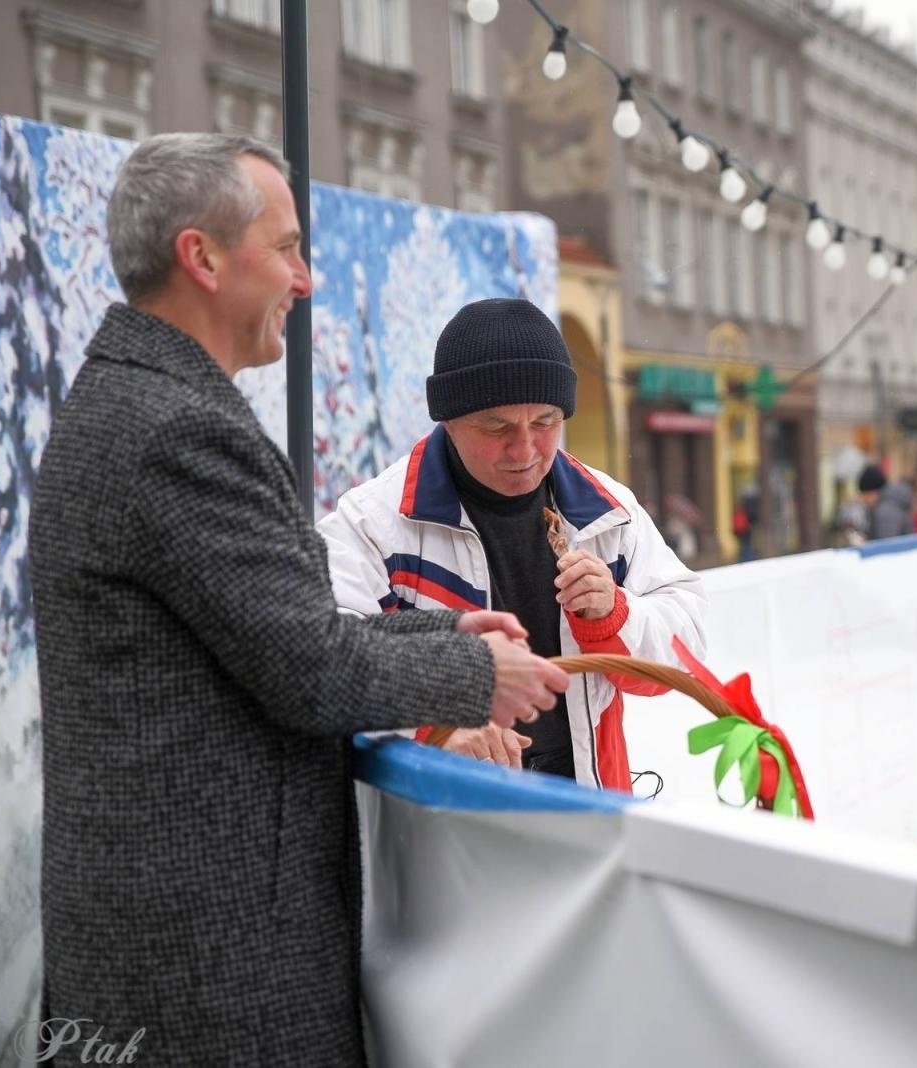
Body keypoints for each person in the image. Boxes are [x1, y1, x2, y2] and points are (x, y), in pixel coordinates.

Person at [29, 134, 570, 1066]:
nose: (305, 279)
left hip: (174, 941)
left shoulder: (139, 402)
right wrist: (473, 669)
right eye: (284, 248)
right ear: (201, 257)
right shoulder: (178, 430)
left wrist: (443, 628)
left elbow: (271, 628)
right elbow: (310, 668)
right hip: (204, 964)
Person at [319, 297, 708, 789]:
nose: (524, 450)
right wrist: (431, 726)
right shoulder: (373, 524)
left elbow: (687, 648)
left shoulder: (607, 512)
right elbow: (324, 662)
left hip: (588, 808)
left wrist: (615, 615)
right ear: (449, 419)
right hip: (439, 826)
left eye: (545, 422)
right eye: (497, 426)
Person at [857, 462, 914, 541]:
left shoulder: (885, 511)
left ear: (873, 492)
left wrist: (865, 546)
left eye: (865, 495)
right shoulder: (891, 503)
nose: (863, 500)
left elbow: (886, 545)